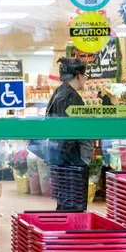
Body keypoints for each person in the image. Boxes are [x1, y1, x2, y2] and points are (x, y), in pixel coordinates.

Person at [46, 58, 94, 211]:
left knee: (65, 202)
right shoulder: (71, 97)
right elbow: (74, 131)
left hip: (60, 157)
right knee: (73, 206)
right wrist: (83, 160)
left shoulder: (59, 92)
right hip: (72, 159)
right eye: (84, 76)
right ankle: (71, 234)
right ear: (78, 75)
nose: (84, 80)